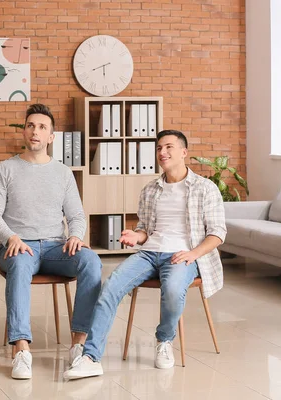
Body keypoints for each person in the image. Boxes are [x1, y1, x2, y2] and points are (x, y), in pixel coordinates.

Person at [64, 129, 227, 381]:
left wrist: (193, 254)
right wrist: (136, 236)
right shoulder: (151, 189)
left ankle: (164, 340)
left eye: (169, 147)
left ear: (184, 152)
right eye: (159, 148)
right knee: (110, 287)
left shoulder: (205, 189)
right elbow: (145, 230)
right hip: (149, 254)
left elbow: (217, 233)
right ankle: (90, 358)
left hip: (183, 255)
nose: (162, 152)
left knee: (172, 290)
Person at [0, 103, 103, 380]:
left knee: (91, 261)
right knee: (20, 265)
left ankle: (79, 344)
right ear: (24, 132)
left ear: (51, 137)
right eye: (30, 125)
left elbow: (76, 215)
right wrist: (10, 237)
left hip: (55, 247)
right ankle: (21, 349)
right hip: (18, 245)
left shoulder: (63, 173)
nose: (35, 131)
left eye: (42, 127)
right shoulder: (5, 169)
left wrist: (75, 236)